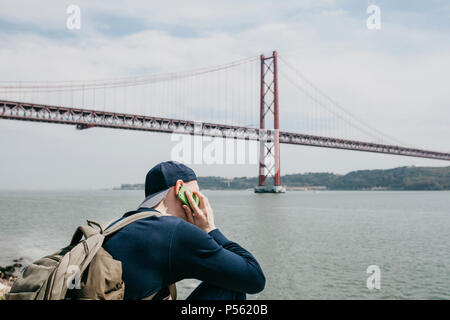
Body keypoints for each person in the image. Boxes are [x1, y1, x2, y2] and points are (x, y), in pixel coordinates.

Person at [103, 161, 266, 300]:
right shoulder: (174, 231)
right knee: (232, 284)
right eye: (196, 194)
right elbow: (254, 277)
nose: (200, 201)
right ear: (179, 188)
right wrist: (210, 229)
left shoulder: (114, 227)